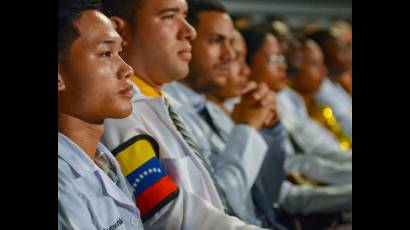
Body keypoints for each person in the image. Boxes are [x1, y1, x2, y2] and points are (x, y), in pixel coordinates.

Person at [100, 0, 262, 228]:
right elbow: (168, 215)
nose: (189, 31)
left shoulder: (164, 104)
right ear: (119, 30)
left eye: (185, 15)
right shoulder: (119, 115)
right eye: (168, 16)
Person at [163, 3, 279, 225]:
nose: (229, 55)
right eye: (216, 41)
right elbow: (222, 204)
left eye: (230, 44)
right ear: (187, 43)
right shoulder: (169, 111)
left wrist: (274, 131)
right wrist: (246, 129)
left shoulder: (209, 107)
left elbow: (268, 189)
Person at [242, 25, 352, 217]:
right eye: (275, 58)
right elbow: (292, 178)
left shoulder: (287, 98)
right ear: (247, 65)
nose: (283, 66)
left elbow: (312, 156)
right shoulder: (244, 111)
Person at [58, 0, 143, 228]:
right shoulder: (62, 185)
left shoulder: (101, 158)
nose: (127, 69)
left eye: (120, 52)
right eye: (106, 53)